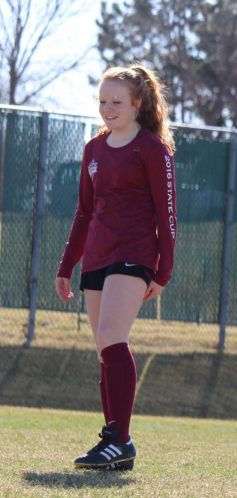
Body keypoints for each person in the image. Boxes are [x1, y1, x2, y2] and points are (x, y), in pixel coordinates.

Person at [55, 64, 177, 471]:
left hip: (136, 253)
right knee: (104, 350)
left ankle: (120, 440)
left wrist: (163, 269)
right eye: (102, 101)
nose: (108, 108)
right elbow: (84, 212)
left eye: (116, 101)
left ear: (137, 103)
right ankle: (113, 442)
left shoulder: (152, 150)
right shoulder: (93, 150)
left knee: (112, 336)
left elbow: (167, 214)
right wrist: (66, 265)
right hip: (98, 256)